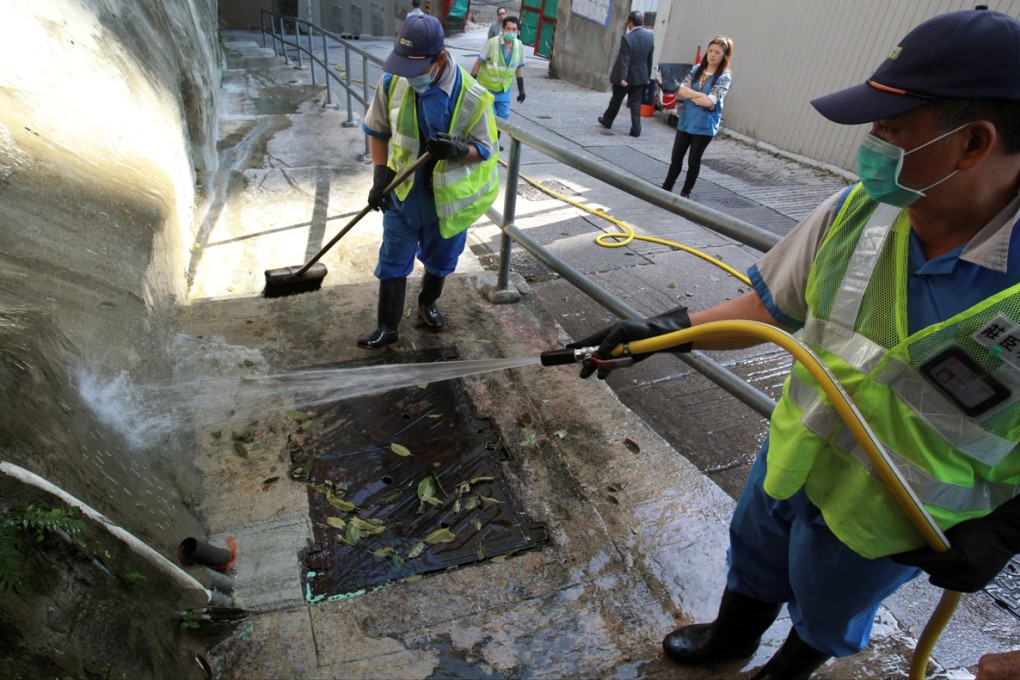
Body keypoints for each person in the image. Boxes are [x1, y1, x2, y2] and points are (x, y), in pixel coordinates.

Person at [570, 8, 1020, 679]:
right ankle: (733, 637)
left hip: (897, 520)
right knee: (755, 552)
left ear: (973, 143)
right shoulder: (856, 211)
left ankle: (789, 669)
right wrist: (663, 335)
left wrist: (1006, 532)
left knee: (832, 603)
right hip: (794, 457)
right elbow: (764, 307)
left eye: (891, 130)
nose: (872, 143)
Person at [359, 13, 499, 349]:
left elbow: (484, 149)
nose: (407, 75)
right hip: (403, 194)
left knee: (440, 261)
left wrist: (456, 149)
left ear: (439, 59)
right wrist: (381, 173)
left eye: (415, 68)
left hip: (445, 205)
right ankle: (387, 327)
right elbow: (377, 130)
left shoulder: (472, 95)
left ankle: (427, 304)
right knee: (393, 258)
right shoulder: (393, 82)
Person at [661, 35, 733, 199]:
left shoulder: (724, 77)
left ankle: (686, 191)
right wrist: (700, 96)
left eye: (717, 53)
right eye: (711, 51)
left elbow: (710, 101)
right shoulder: (696, 69)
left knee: (693, 160)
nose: (713, 55)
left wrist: (692, 95)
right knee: (676, 156)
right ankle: (666, 187)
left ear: (724, 56)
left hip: (704, 125)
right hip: (686, 120)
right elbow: (681, 90)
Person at [597, 10, 654, 138]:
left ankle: (607, 120)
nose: (627, 24)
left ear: (631, 23)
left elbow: (625, 59)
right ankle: (636, 129)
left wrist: (622, 78)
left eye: (628, 22)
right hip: (640, 77)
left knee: (616, 100)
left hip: (626, 78)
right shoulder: (649, 37)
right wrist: (647, 76)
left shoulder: (627, 38)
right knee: (635, 104)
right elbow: (649, 59)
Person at [470, 14, 526, 123]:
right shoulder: (492, 43)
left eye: (514, 29)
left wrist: (521, 89)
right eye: (508, 29)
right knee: (490, 119)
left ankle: (497, 138)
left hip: (504, 91)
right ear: (503, 29)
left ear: (518, 31)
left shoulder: (519, 46)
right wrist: (471, 83)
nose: (511, 32)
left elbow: (519, 68)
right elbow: (478, 63)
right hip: (487, 89)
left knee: (503, 121)